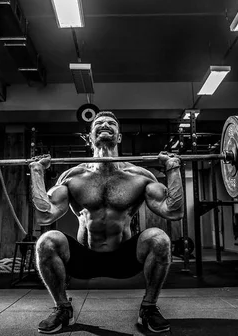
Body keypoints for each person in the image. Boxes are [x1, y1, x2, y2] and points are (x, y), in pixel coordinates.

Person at [29, 111, 184, 334]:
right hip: (85, 257)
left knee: (159, 239)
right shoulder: (72, 176)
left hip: (124, 258)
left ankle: (149, 308)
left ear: (119, 137)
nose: (105, 124)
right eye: (99, 123)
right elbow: (46, 216)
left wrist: (173, 168)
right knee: (46, 241)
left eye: (111, 123)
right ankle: (62, 308)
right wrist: (36, 172)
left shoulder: (139, 176)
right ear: (90, 137)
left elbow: (173, 211)